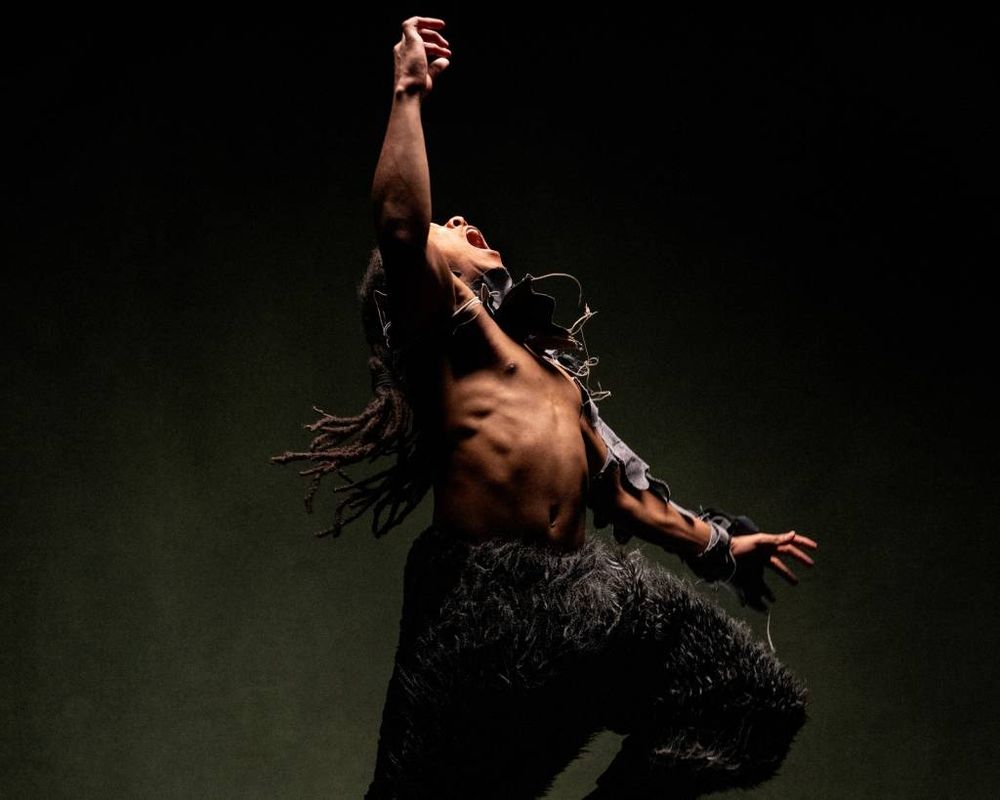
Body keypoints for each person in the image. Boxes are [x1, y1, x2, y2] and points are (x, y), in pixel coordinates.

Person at [271, 15, 819, 799]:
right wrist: (408, 92)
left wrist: (726, 549)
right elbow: (399, 224)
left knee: (751, 704)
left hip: (587, 606)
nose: (460, 221)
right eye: (447, 226)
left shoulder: (555, 383)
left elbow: (627, 499)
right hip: (489, 620)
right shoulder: (449, 340)